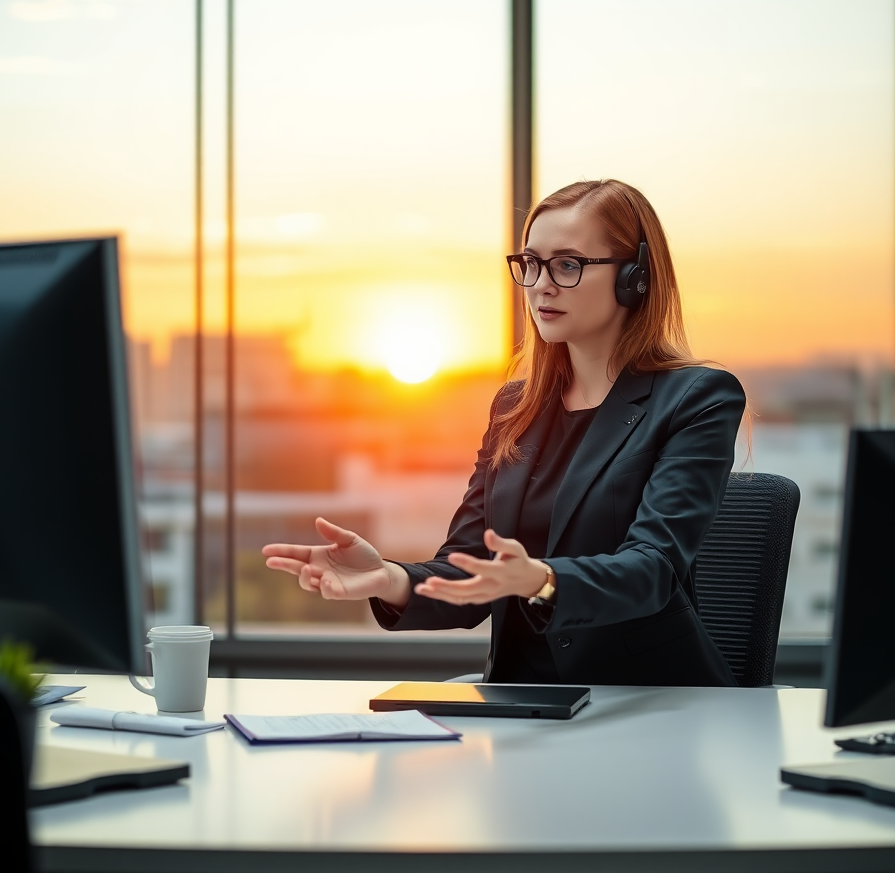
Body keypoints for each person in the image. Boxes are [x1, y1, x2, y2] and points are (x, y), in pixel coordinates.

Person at [263, 179, 744, 690]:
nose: (541, 285)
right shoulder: (515, 408)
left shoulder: (697, 398)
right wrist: (390, 578)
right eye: (531, 264)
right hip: (524, 703)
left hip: (649, 701)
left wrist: (544, 579)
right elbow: (468, 566)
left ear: (634, 277)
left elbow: (652, 571)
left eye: (567, 264)